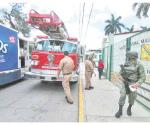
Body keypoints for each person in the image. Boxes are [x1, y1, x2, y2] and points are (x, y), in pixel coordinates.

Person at [115, 51, 146, 118]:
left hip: (134, 83)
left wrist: (138, 83)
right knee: (122, 95)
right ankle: (120, 110)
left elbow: (143, 76)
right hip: (125, 82)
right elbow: (120, 73)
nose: (131, 59)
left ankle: (129, 108)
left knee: (132, 97)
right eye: (130, 58)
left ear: (135, 57)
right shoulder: (126, 63)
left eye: (133, 58)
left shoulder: (139, 64)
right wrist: (121, 78)